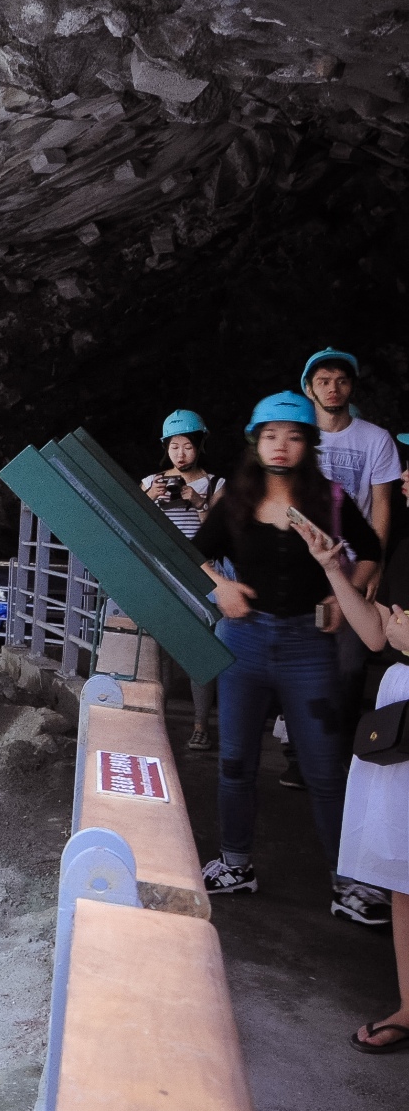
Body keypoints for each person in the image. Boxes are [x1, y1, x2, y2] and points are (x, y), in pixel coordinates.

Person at [192, 392, 384, 925]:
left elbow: (370, 551)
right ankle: (236, 865)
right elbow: (191, 552)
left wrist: (343, 594)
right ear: (256, 441)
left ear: (309, 445)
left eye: (295, 436)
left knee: (325, 768)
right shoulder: (235, 500)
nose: (282, 445)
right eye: (271, 435)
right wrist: (221, 588)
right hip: (244, 642)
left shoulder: (333, 499)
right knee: (235, 764)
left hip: (308, 648)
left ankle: (348, 883)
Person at [283, 512, 409, 1039]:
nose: (403, 475)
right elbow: (380, 633)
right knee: (405, 876)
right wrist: (334, 569)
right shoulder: (405, 543)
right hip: (402, 716)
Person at [305, 347, 400, 720]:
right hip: (304, 561)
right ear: (309, 389)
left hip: (354, 562)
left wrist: (374, 565)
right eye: (324, 381)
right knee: (304, 655)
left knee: (349, 659)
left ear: (352, 387)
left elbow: (382, 505)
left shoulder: (376, 439)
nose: (333, 389)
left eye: (342, 381)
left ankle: (339, 746)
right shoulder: (298, 436)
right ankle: (297, 753)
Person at [143, 411, 225, 751]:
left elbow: (219, 530)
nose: (180, 454)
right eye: (174, 446)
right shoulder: (152, 482)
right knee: (159, 653)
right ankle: (156, 724)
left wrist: (197, 501)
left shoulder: (217, 484)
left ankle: (200, 726)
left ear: (200, 446)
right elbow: (137, 525)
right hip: (163, 573)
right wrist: (149, 498)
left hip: (202, 573)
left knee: (198, 651)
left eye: (188, 446)